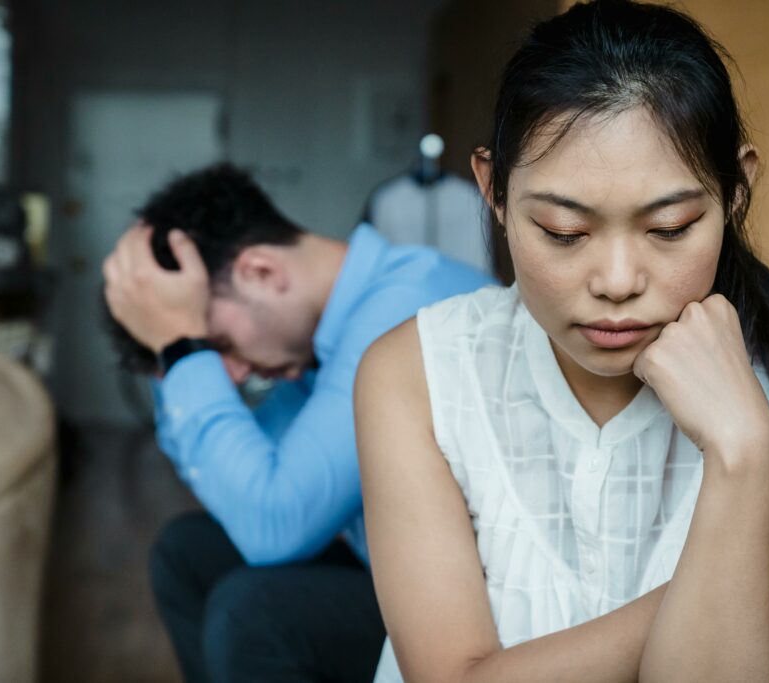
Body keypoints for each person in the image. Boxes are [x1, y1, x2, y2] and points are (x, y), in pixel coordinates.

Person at [355, 2, 769, 681]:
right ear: (492, 191)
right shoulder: (416, 373)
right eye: (563, 231)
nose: (616, 281)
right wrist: (761, 574)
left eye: (669, 227)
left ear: (736, 190)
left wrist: (742, 448)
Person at [101, 163, 493, 682]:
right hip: (389, 567)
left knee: (253, 614)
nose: (230, 376)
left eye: (215, 344)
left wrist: (182, 349)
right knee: (186, 552)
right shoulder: (299, 349)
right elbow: (239, 490)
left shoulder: (405, 305)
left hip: (473, 610)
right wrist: (168, 355)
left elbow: (275, 524)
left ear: (261, 272)